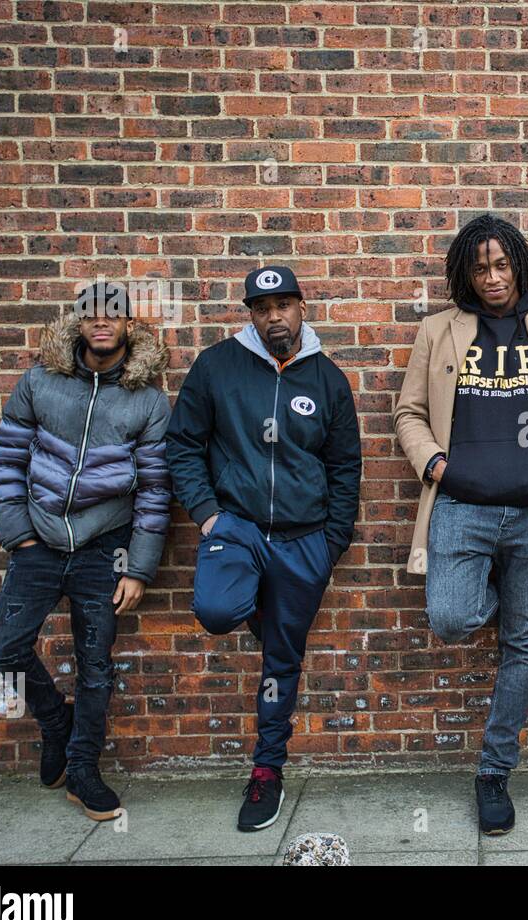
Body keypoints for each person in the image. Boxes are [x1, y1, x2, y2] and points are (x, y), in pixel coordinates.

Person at [393, 214, 528, 836]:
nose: (492, 277)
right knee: (452, 617)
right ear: (465, 273)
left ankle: (493, 772)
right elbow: (410, 411)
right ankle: (487, 592)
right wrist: (437, 467)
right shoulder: (439, 331)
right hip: (459, 508)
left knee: (521, 645)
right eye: (479, 267)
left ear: (519, 265)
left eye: (501, 264)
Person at [165, 265, 361, 831]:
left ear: (302, 307)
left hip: (306, 541)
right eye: (261, 307)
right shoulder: (217, 367)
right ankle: (264, 612)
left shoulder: (327, 380)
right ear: (250, 314)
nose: (274, 315)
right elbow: (182, 445)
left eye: (284, 304)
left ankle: (267, 770)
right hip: (239, 528)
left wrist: (332, 541)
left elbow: (345, 466)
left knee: (282, 659)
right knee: (218, 610)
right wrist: (207, 514)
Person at [0, 280, 171, 821]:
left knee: (95, 665)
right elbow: (6, 462)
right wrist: (19, 534)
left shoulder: (149, 400)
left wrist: (138, 567)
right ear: (78, 320)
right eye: (91, 312)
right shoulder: (41, 381)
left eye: (112, 315)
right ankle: (55, 722)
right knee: (6, 650)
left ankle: (84, 768)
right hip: (38, 543)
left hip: (103, 548)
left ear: (128, 325)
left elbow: (156, 490)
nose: (101, 322)